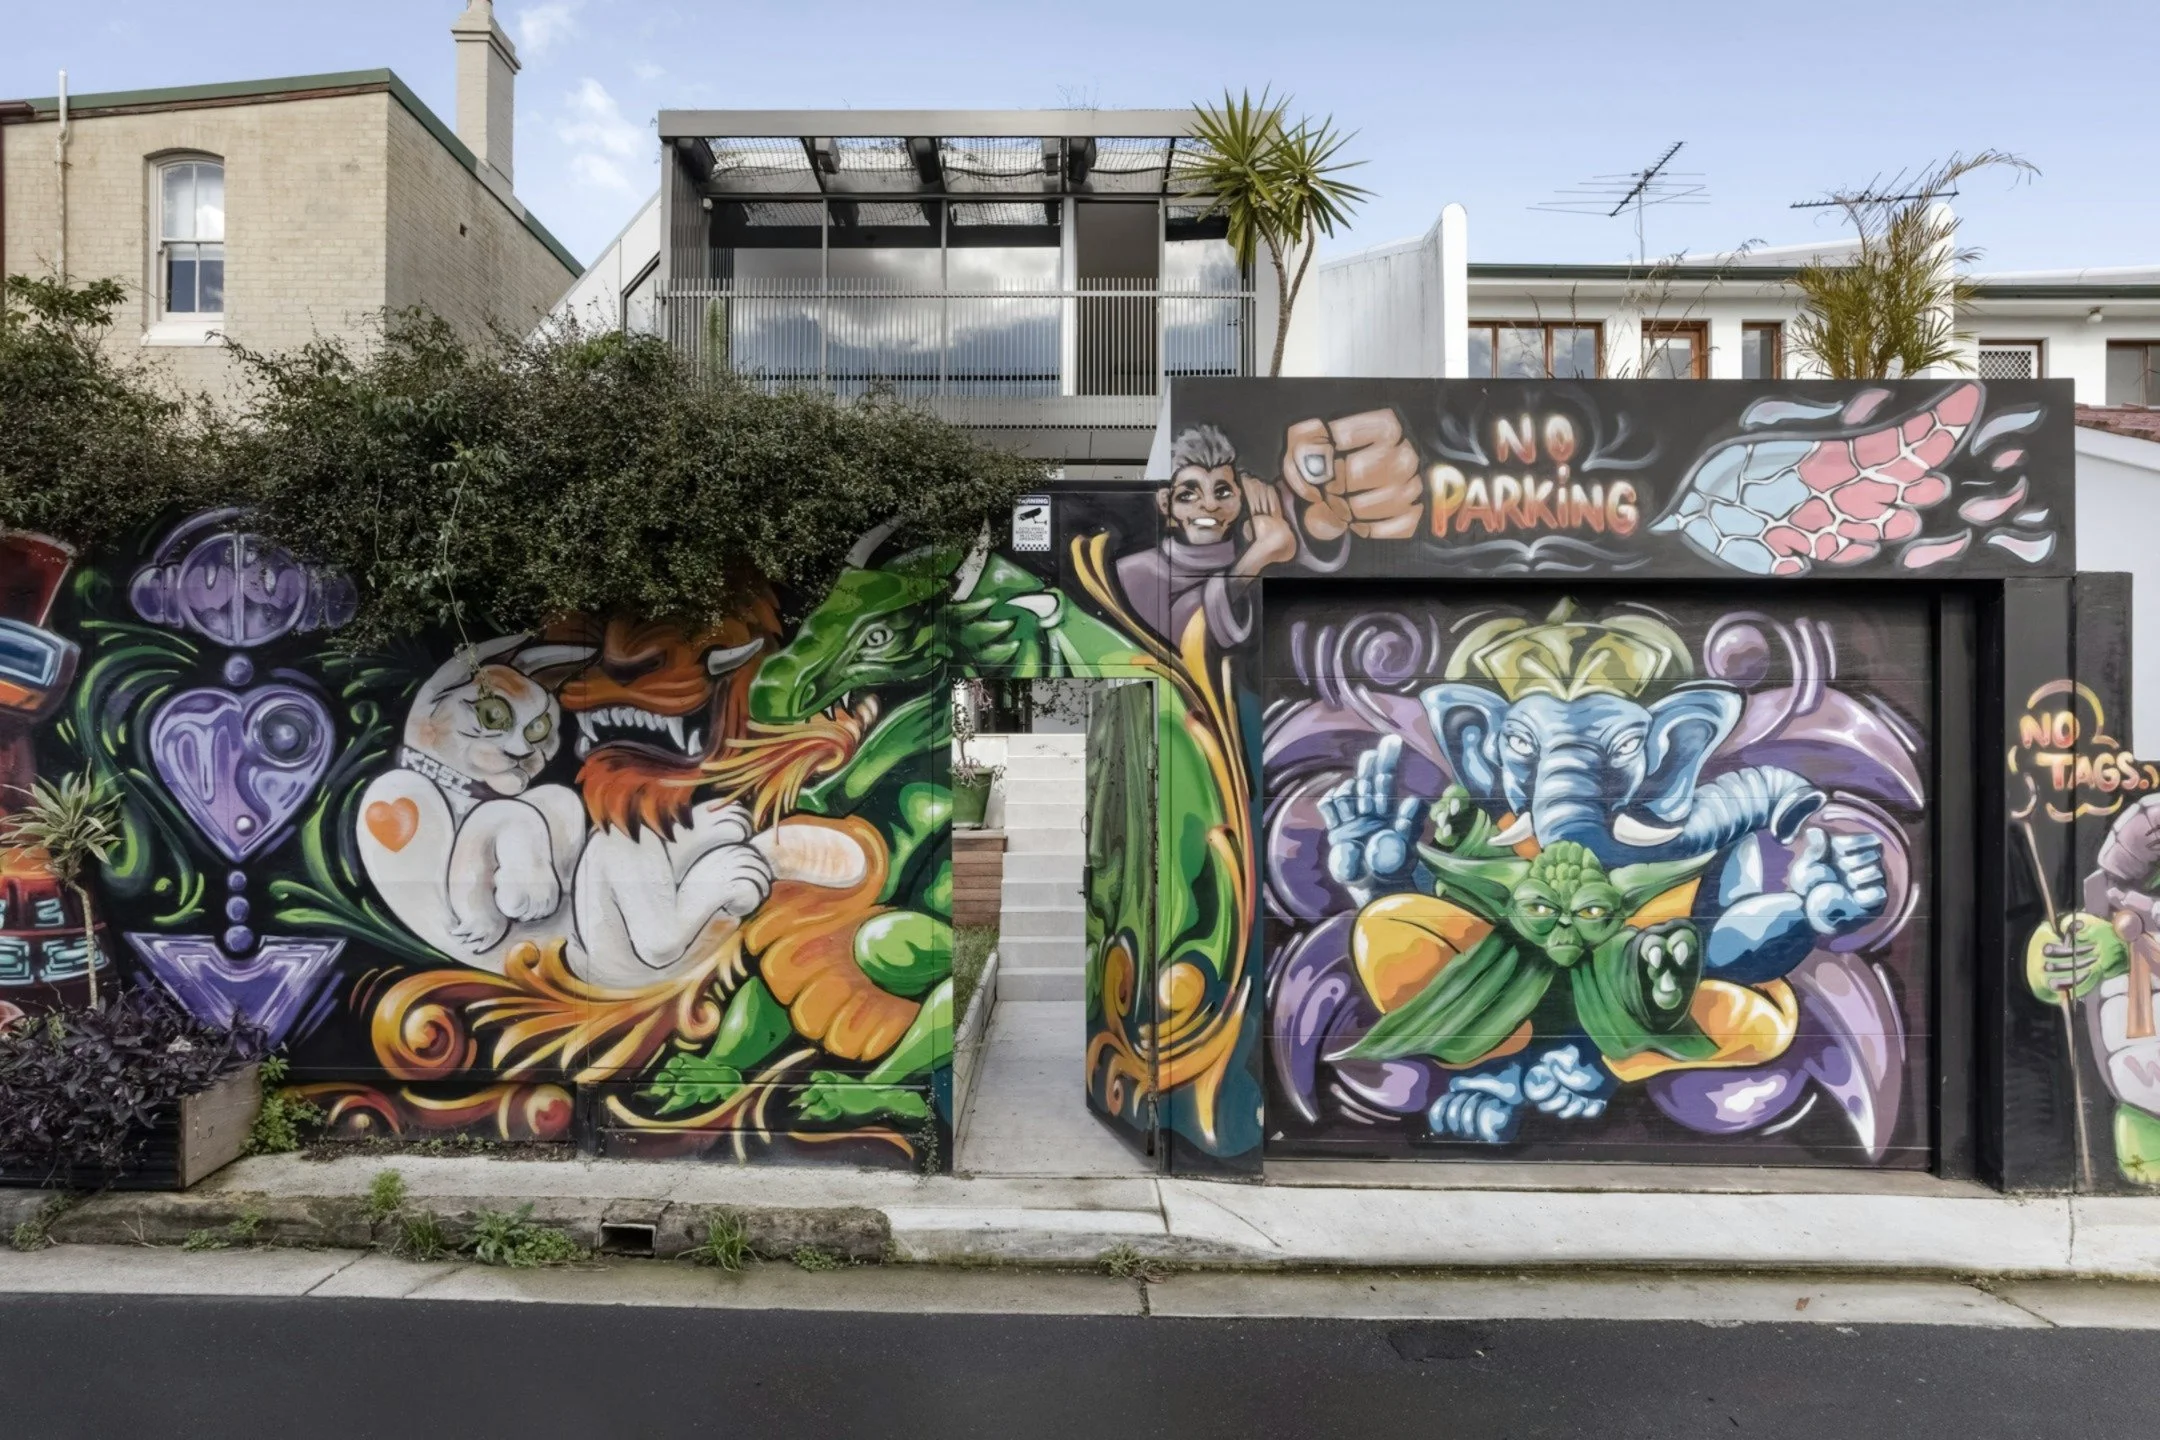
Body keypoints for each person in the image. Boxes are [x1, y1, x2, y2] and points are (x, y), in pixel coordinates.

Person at [1115, 424, 1297, 647]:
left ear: (1240, 499)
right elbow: (1190, 637)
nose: (1210, 505)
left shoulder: (1254, 554)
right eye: (1188, 495)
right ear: (1165, 502)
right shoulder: (1135, 572)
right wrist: (1256, 558)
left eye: (1223, 492)